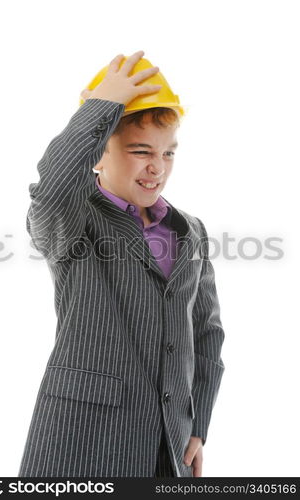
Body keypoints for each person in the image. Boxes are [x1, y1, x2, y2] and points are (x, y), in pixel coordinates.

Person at [17, 50, 225, 478]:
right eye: (139, 151)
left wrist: (197, 425)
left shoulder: (191, 231)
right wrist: (101, 107)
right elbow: (52, 187)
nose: (157, 168)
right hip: (84, 442)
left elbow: (206, 333)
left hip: (169, 448)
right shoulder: (74, 222)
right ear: (98, 155)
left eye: (168, 153)